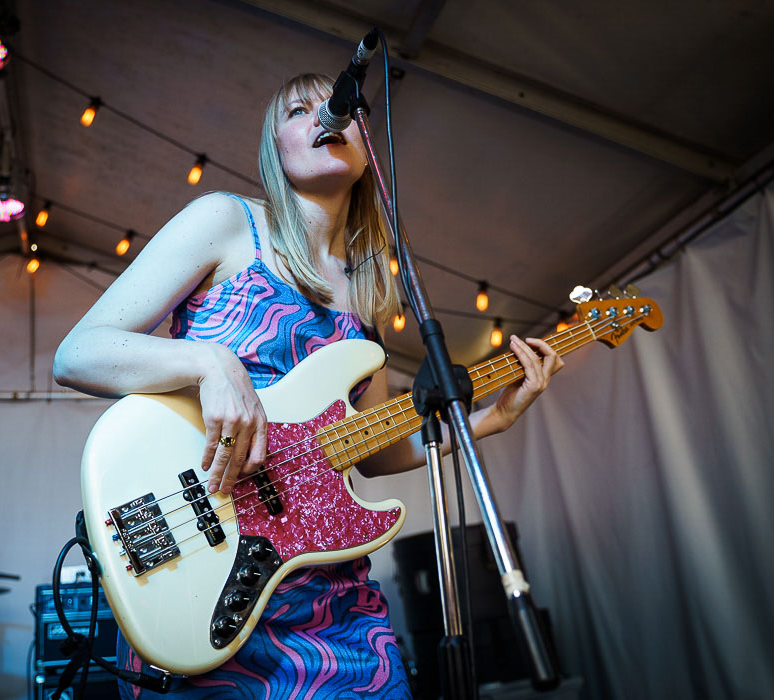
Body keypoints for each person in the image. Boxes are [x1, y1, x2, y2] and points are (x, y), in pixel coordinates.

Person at [54, 73, 563, 699]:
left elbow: (372, 450)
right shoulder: (226, 222)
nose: (327, 116)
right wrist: (211, 363)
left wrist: (491, 419)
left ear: (367, 147)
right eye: (299, 110)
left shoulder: (367, 293)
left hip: (336, 604)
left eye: (341, 109)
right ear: (276, 149)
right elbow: (78, 354)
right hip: (206, 590)